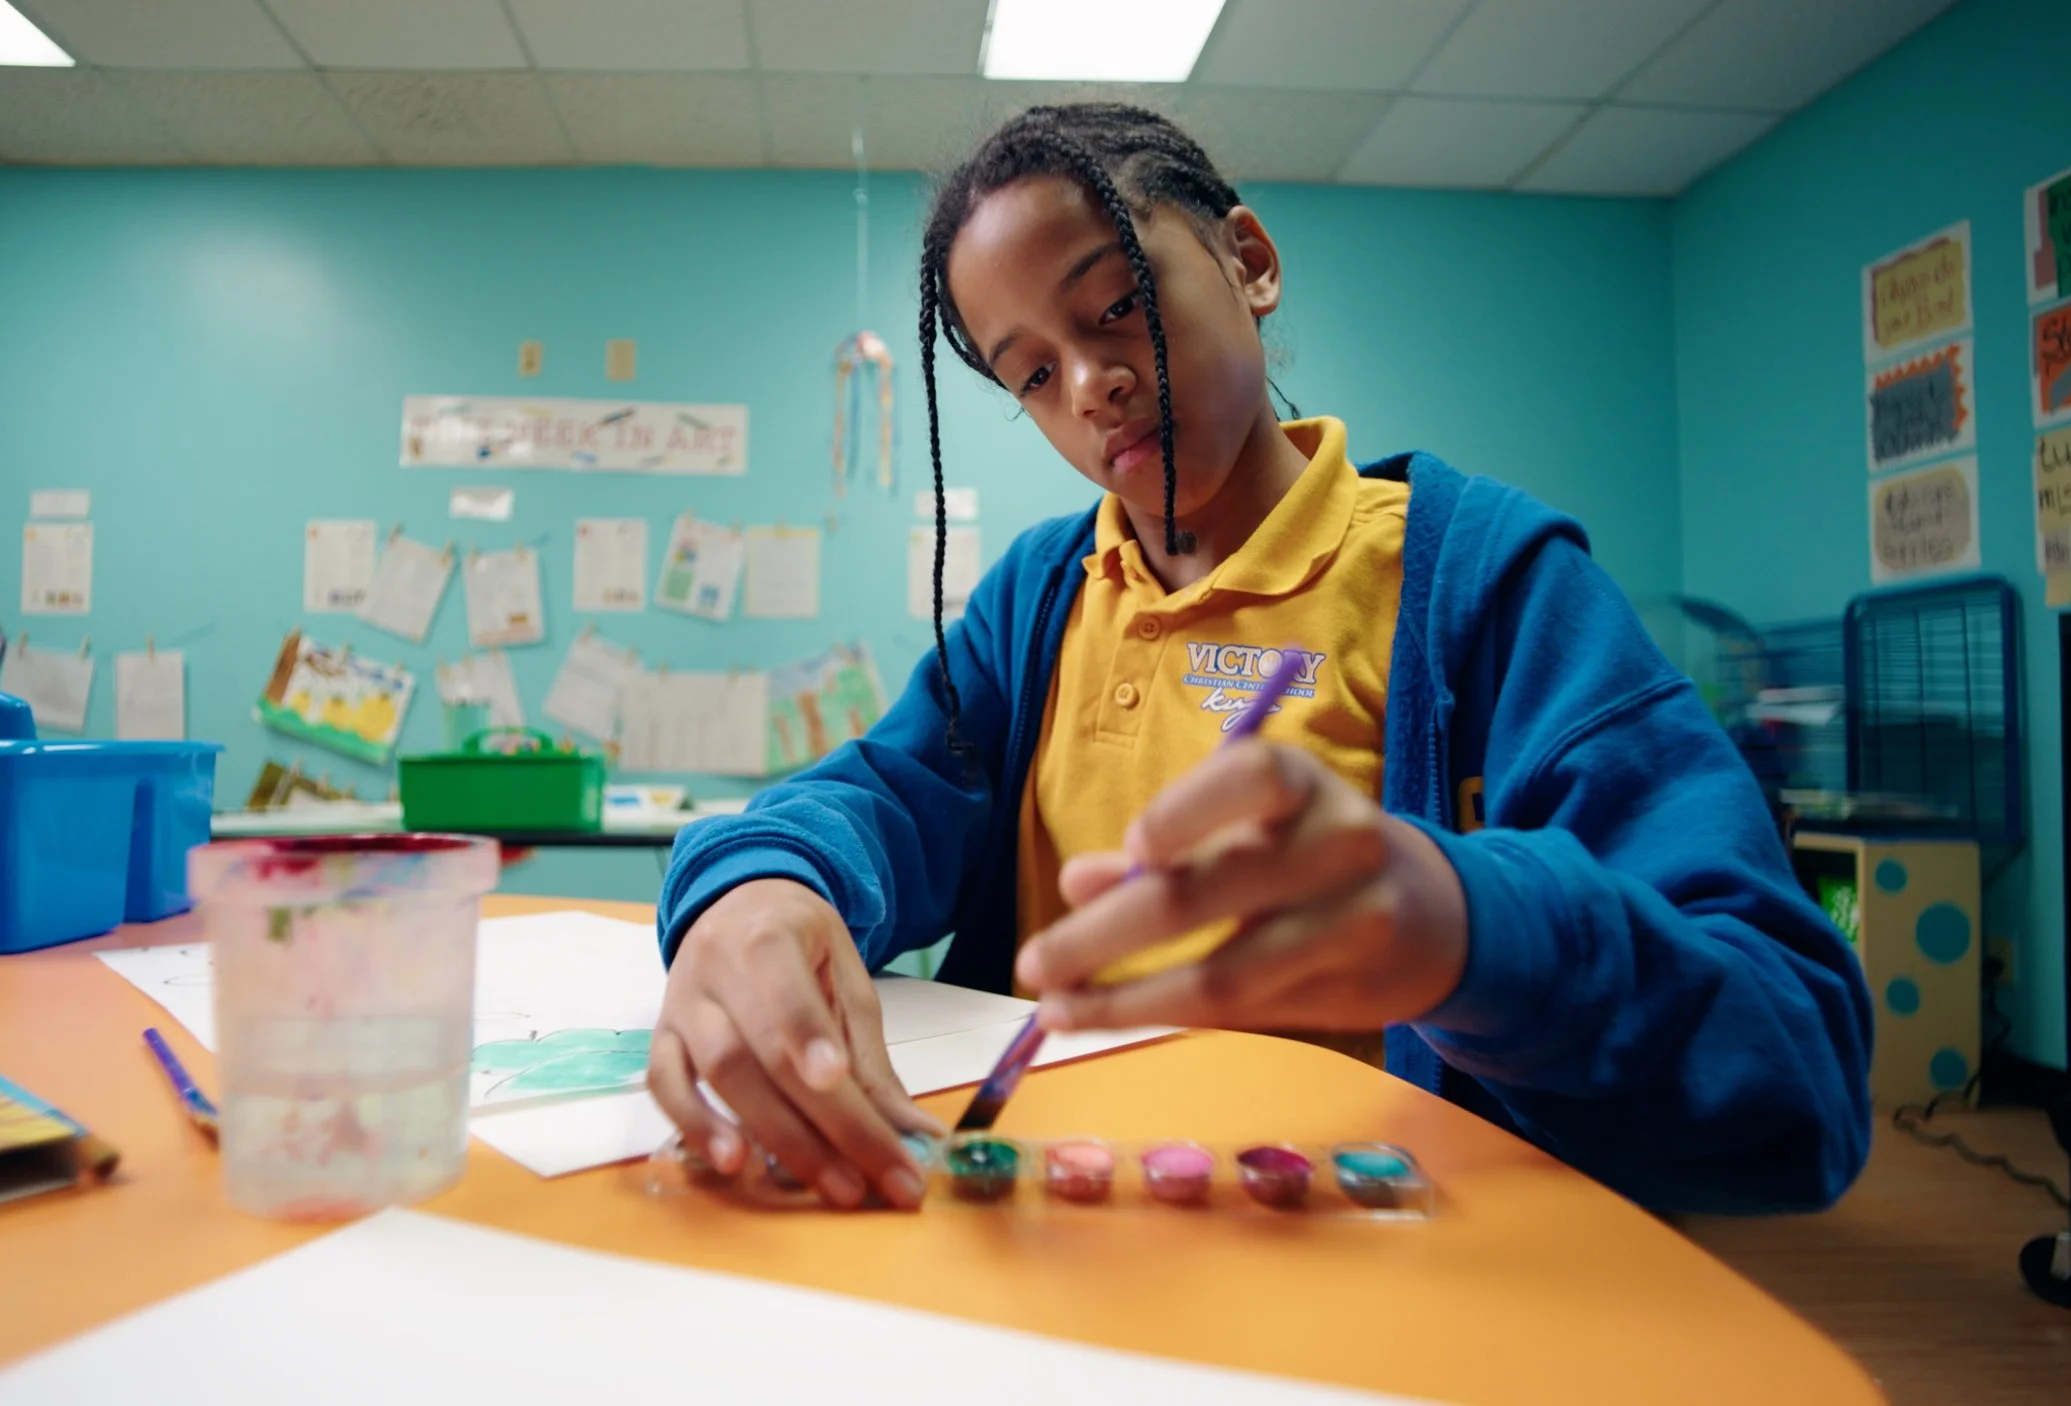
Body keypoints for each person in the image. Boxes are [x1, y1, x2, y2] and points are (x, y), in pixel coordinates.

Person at [646, 103, 1872, 1218]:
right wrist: (763, 884)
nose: (1090, 382)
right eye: (1029, 370)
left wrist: (1467, 925)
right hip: (1049, 1237)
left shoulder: (1477, 579)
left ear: (1250, 261)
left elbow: (1796, 1072)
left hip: (1377, 1282)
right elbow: (876, 796)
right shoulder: (1042, 596)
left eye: (1115, 300)